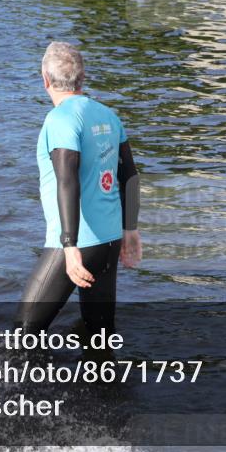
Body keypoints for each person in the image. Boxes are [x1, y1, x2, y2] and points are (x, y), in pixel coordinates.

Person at [16, 42, 141, 339]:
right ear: (82, 79)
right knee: (99, 335)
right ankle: (105, 385)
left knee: (23, 334)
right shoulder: (109, 116)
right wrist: (130, 230)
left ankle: (30, 386)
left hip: (74, 245)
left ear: (45, 80)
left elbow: (66, 179)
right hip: (109, 241)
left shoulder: (60, 119)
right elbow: (130, 176)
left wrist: (69, 246)